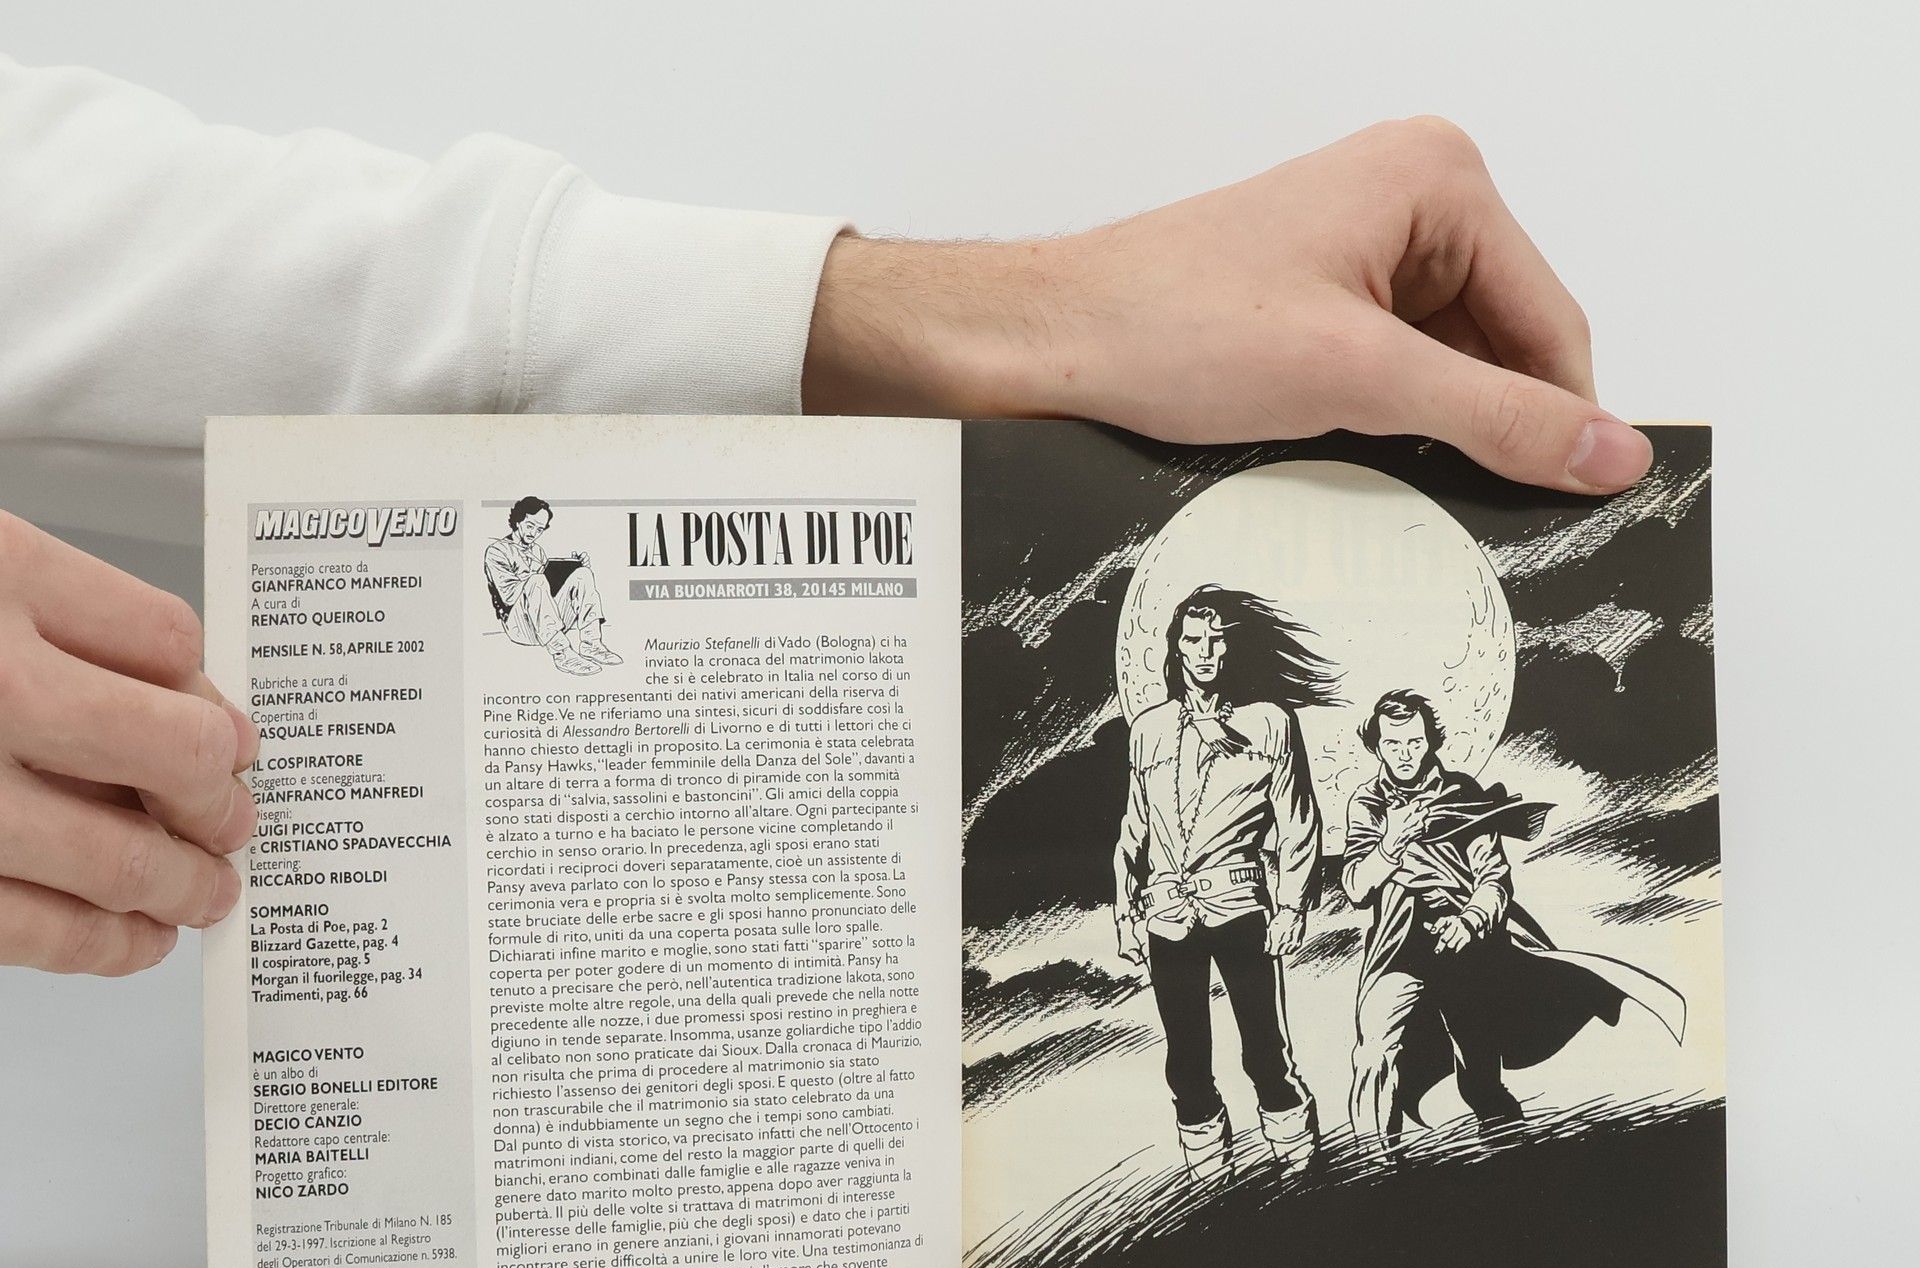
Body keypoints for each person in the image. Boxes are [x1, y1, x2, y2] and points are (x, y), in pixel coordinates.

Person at [0, 54, 1655, 979]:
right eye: (1199, 638)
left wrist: (987, 318)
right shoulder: (1168, 731)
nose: (1210, 652)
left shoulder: (1305, 746)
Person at [1342, 690, 1684, 1146]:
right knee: (1373, 1050)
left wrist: (1468, 922)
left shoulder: (1462, 792)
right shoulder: (1366, 803)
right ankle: (1374, 1161)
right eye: (1392, 744)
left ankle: (1508, 1150)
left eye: (1414, 742)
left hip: (1465, 940)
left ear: (1430, 742)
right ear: (1377, 745)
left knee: (1479, 1070)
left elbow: (1494, 879)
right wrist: (1391, 843)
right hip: (1400, 944)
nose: (1404, 754)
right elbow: (1356, 886)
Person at [1114, 588, 1337, 1179]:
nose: (1205, 652)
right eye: (1193, 640)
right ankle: (1210, 1188)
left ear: (1234, 647)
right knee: (1186, 1066)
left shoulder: (1270, 722)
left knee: (1265, 1054)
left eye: (1217, 640)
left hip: (1240, 908)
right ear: (1176, 647)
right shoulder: (1148, 729)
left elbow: (1299, 823)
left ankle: (1302, 1176)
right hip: (1167, 916)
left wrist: (1291, 907)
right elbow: (1133, 830)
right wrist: (1124, 913)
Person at [482, 496, 617, 676]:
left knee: (583, 574)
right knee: (537, 581)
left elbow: (549, 591)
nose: (534, 533)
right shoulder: (497, 551)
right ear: (518, 521)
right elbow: (508, 596)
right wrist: (535, 578)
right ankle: (563, 654)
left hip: (545, 625)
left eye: (540, 529)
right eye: (530, 526)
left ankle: (591, 644)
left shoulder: (537, 550)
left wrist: (568, 570)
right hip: (520, 625)